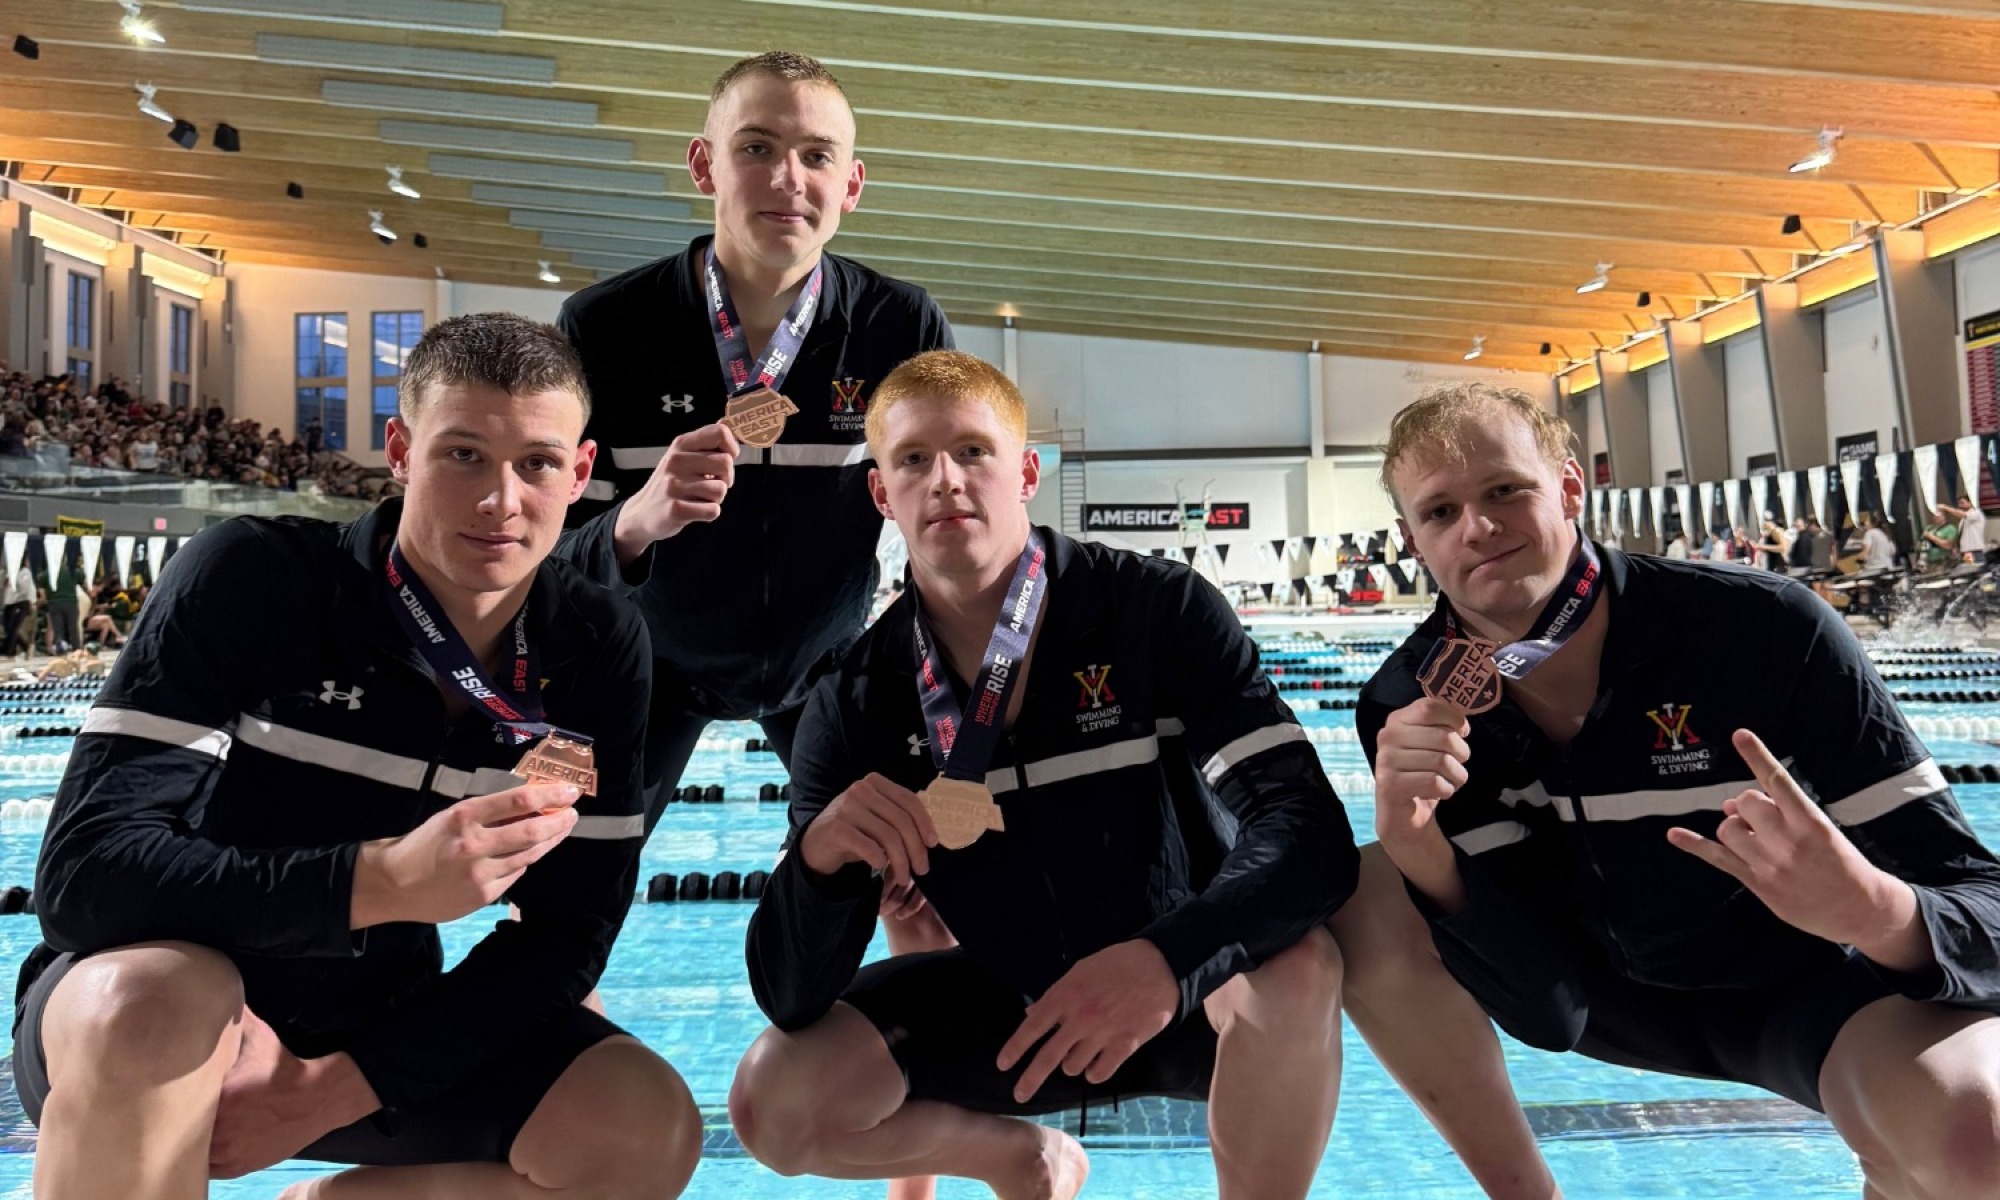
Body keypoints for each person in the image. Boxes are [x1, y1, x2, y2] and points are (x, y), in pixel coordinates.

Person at [728, 352, 1561, 1200]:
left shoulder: (1153, 611)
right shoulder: (857, 697)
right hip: (1011, 1008)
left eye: (973, 452)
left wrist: (1169, 960)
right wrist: (820, 864)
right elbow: (791, 995)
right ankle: (1022, 1162)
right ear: (881, 494)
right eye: (913, 460)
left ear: (1024, 473)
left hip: (1196, 994)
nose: (945, 480)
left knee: (1298, 963)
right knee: (774, 1096)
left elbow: (1304, 828)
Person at [13, 314, 700, 1199]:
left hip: (371, 1026)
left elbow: (568, 935)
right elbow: (83, 877)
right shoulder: (258, 578)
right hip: (136, 1009)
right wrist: (378, 883)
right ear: (401, 451)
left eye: (535, 463)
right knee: (163, 1000)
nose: (500, 501)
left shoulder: (595, 643)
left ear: (578, 472)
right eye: (463, 455)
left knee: (640, 1122)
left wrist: (330, 1089)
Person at [1361, 381, 2000, 1200]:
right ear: (1414, 541)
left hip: (1810, 995)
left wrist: (1875, 910)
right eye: (1440, 512)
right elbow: (1546, 1012)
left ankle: (1892, 1164)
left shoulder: (1766, 630)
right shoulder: (1408, 703)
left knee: (1976, 1139)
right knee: (1373, 882)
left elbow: (1979, 905)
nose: (1478, 528)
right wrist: (1422, 851)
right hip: (1604, 1000)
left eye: (1504, 490)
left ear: (1566, 489)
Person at [554, 49, 954, 843]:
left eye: (816, 156)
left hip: (827, 676)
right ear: (705, 165)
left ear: (852, 183)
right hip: (645, 675)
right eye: (757, 148)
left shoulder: (900, 328)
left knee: (916, 878)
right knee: (555, 878)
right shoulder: (604, 328)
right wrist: (637, 523)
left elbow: (947, 523)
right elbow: (550, 560)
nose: (788, 179)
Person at [1938, 494, 1988, 566]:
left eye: (1962, 503)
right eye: (1959, 503)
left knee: (1978, 570)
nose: (1960, 506)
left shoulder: (1976, 512)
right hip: (1966, 551)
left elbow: (1962, 514)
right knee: (1969, 570)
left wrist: (1946, 508)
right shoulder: (1963, 519)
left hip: (1975, 549)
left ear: (1971, 502)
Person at [1, 557, 36, 658]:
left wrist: (13, 579)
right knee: (7, 627)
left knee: (14, 627)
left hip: (20, 601)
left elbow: (24, 588)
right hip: (8, 602)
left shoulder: (25, 572)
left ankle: (9, 651)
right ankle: (25, 646)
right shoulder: (8, 572)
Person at [1920, 505, 1960, 573]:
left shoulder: (1950, 528)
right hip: (1927, 562)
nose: (1936, 517)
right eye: (1934, 515)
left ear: (1944, 517)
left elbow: (1948, 546)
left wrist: (1932, 537)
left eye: (1938, 515)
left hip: (1942, 561)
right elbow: (1920, 544)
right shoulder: (1929, 528)